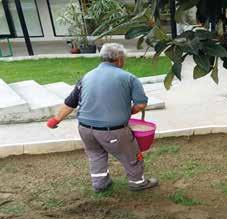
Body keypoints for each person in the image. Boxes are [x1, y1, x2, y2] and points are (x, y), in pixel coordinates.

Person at [47, 43, 158, 193]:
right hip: (112, 131)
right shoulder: (129, 78)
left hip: (85, 129)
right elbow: (141, 104)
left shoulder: (86, 76)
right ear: (119, 59)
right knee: (131, 154)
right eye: (123, 58)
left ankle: (100, 183)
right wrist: (126, 112)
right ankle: (137, 182)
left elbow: (70, 103)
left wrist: (55, 120)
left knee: (96, 155)